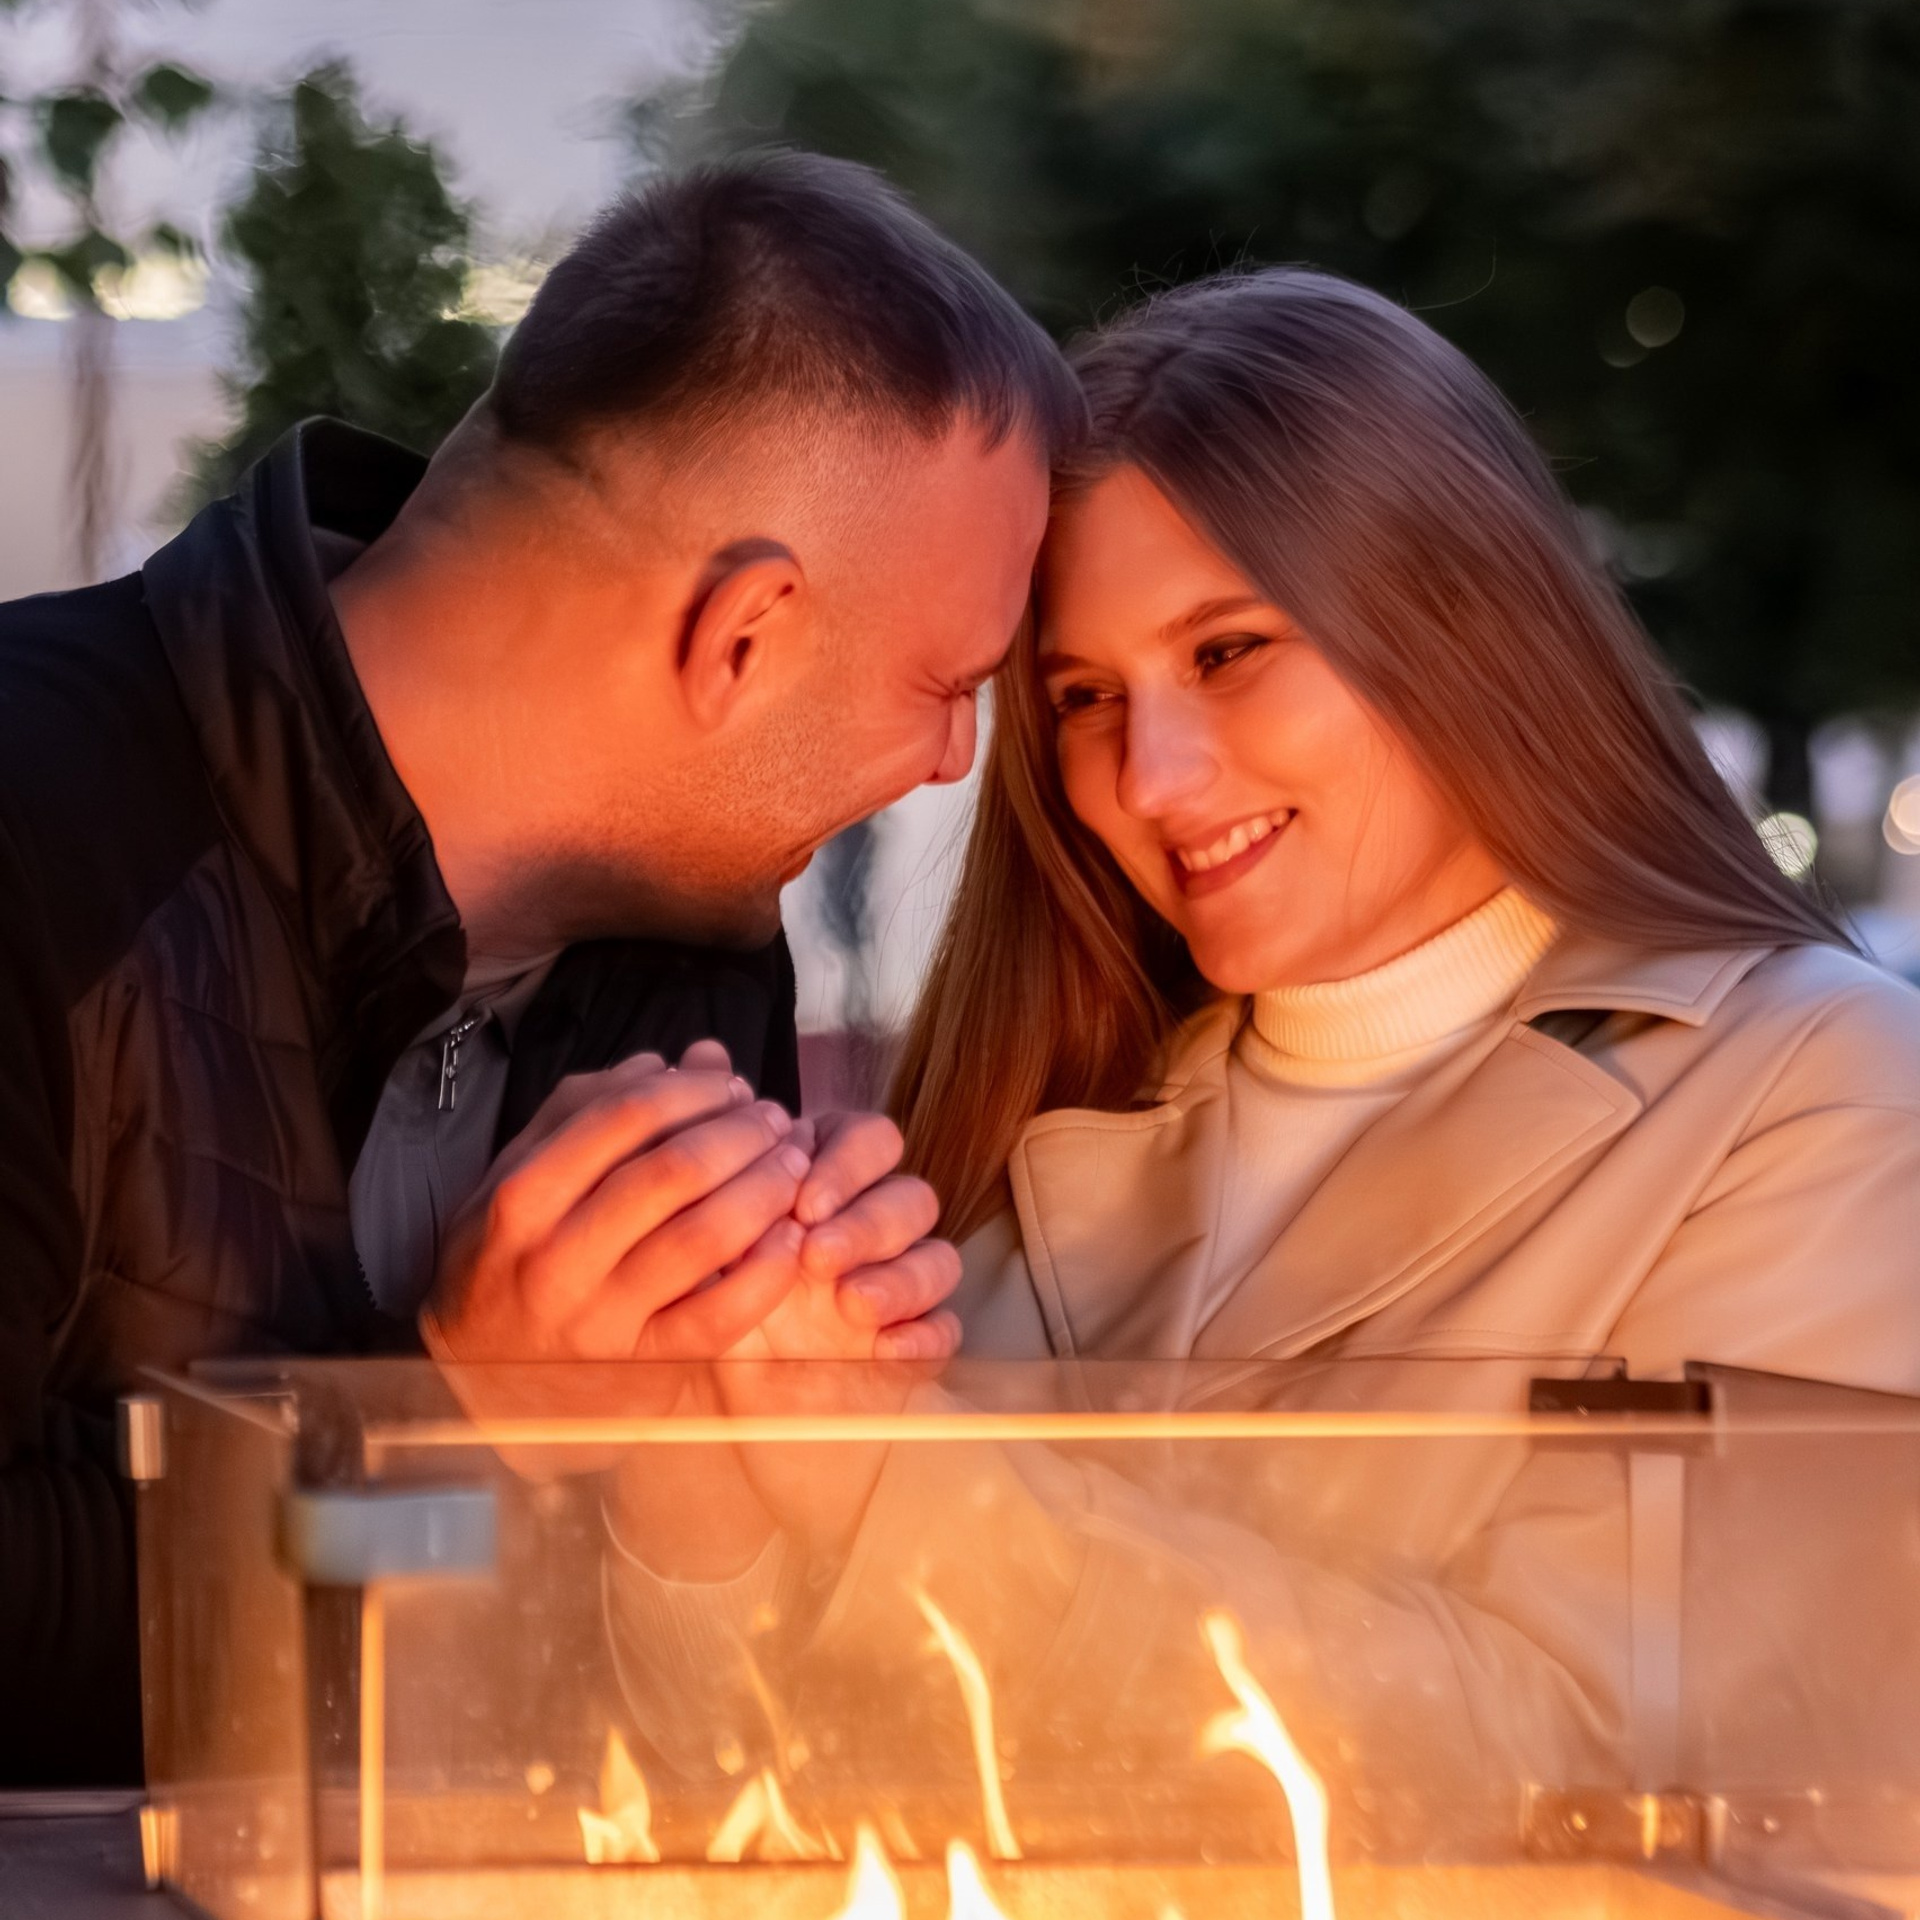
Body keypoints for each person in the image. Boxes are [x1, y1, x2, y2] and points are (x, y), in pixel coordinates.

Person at [603, 267, 1920, 1841]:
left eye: (1228, 652)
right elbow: (749, 1796)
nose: (1151, 777)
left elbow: (1609, 1779)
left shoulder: (1823, 1093)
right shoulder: (1043, 1113)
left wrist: (881, 1474)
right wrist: (692, 1453)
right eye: (1086, 695)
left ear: (1461, 618)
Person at [0, 150, 1078, 1784]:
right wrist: (457, 1420)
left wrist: (773, 1447)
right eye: (950, 683)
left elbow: (657, 1712)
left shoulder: (695, 969)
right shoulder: (36, 830)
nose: (950, 762)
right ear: (744, 634)